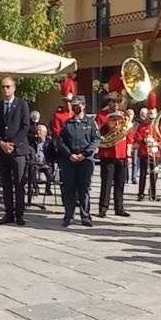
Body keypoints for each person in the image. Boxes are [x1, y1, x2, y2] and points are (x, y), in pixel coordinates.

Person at [0, 76, 32, 226]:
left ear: (14, 88)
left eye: (8, 87)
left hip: (18, 150)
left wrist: (13, 144)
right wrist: (1, 143)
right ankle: (9, 213)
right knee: (6, 183)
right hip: (2, 150)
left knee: (19, 183)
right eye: (3, 87)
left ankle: (20, 214)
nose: (5, 89)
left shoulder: (22, 105)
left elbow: (25, 126)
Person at [58, 97, 100, 227]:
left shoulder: (91, 122)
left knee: (84, 188)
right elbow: (60, 141)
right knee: (69, 188)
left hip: (85, 160)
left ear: (84, 106)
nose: (76, 107)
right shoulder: (68, 123)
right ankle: (68, 216)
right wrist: (69, 154)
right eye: (74, 105)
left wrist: (85, 154)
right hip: (70, 160)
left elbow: (95, 140)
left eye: (78, 105)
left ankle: (85, 216)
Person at [97, 96, 131, 218]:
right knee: (106, 183)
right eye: (113, 102)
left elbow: (129, 135)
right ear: (109, 103)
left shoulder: (125, 117)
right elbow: (98, 132)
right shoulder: (102, 115)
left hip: (121, 153)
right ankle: (103, 208)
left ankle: (119, 207)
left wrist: (128, 154)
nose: (116, 104)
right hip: (108, 153)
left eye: (118, 102)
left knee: (120, 183)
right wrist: (107, 123)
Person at [135, 92, 161, 202]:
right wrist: (144, 140)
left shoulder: (157, 127)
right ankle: (141, 193)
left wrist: (157, 144)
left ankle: (153, 193)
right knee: (142, 174)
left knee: (154, 174)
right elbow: (137, 137)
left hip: (155, 153)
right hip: (144, 153)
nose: (151, 121)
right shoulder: (142, 126)